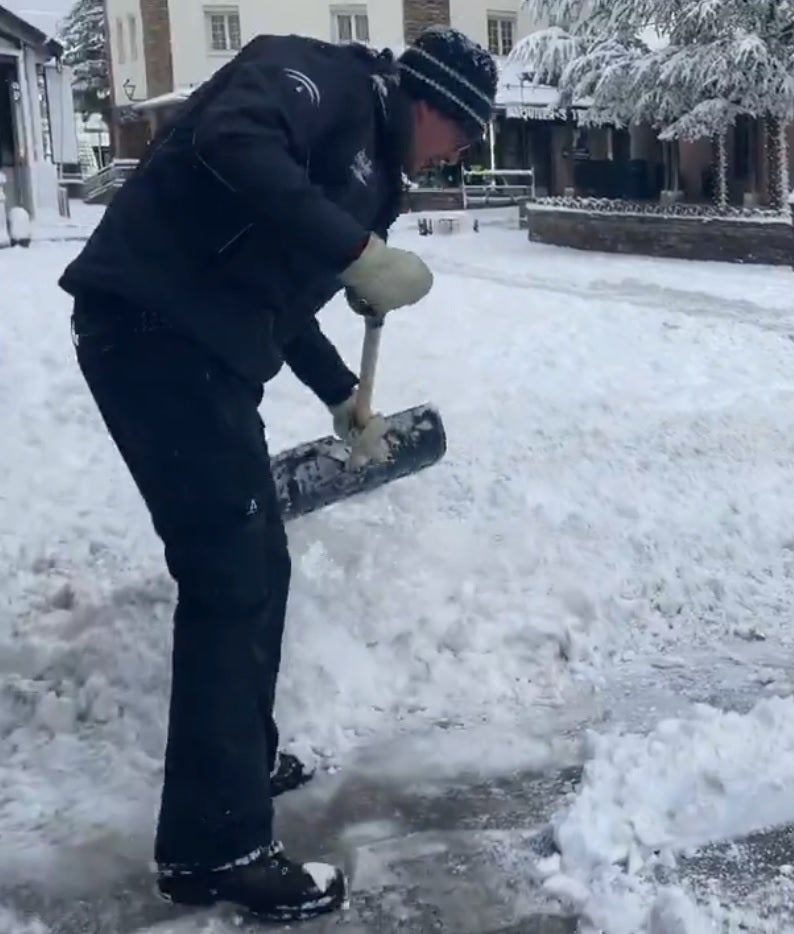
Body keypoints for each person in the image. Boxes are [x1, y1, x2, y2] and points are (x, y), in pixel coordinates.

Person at [58, 27, 497, 920]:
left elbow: (285, 288)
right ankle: (216, 849)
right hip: (151, 331)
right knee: (229, 577)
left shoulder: (376, 176)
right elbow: (233, 142)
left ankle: (237, 764)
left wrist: (346, 397)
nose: (459, 158)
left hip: (204, 353)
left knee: (259, 563)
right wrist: (357, 251)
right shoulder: (323, 83)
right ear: (430, 103)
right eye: (464, 136)